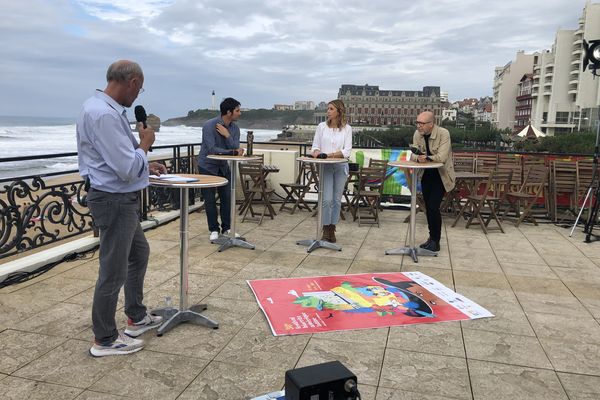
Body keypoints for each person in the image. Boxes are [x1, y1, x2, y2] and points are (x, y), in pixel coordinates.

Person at [77, 60, 167, 357]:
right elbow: (127, 167)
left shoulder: (100, 108)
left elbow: (121, 160)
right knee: (112, 271)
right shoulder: (103, 114)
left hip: (118, 198)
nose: (138, 95)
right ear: (130, 82)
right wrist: (145, 144)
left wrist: (146, 164)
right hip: (114, 200)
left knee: (138, 253)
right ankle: (104, 339)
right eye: (139, 89)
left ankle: (136, 316)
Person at [198, 97, 245, 241]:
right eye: (237, 110)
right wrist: (231, 152)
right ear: (229, 112)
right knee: (210, 199)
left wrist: (227, 135)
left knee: (227, 197)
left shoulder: (234, 128)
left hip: (224, 166)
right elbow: (212, 149)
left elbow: (235, 146)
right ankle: (213, 229)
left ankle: (227, 228)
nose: (240, 113)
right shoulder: (209, 125)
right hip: (207, 166)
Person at [410, 111, 455, 252]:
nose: (418, 126)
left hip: (441, 175)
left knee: (433, 207)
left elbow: (442, 157)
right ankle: (431, 238)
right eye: (417, 123)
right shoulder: (417, 134)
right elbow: (413, 154)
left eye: (421, 123)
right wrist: (418, 158)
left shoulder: (444, 133)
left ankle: (436, 241)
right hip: (426, 175)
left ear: (431, 124)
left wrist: (427, 158)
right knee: (429, 208)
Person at [311, 99, 352, 243]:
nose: (327, 111)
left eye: (331, 109)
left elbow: (347, 151)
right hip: (326, 167)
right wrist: (316, 152)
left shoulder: (347, 129)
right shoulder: (321, 127)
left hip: (341, 166)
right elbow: (315, 146)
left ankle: (332, 228)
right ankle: (325, 227)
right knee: (326, 199)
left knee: (336, 200)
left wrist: (328, 155)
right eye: (328, 108)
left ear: (339, 111)